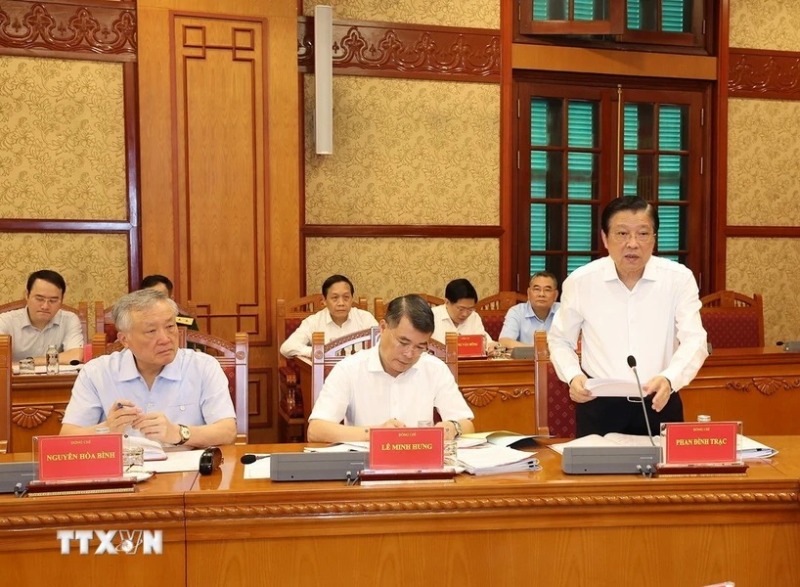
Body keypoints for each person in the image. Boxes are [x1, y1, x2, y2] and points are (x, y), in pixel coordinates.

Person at [547, 196, 708, 438]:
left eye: (643, 234)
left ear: (654, 238)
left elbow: (695, 339)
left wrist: (670, 378)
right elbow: (560, 339)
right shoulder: (581, 281)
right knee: (600, 474)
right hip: (599, 404)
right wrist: (573, 376)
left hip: (659, 399)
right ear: (605, 238)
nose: (632, 244)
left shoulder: (678, 279)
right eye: (622, 234)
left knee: (664, 475)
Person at [60, 288, 236, 447]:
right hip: (122, 476)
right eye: (151, 331)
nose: (165, 338)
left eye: (169, 326)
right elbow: (66, 438)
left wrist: (177, 432)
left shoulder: (203, 366)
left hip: (188, 477)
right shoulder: (96, 372)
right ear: (124, 340)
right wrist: (107, 429)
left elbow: (227, 432)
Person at [307, 294, 475, 443]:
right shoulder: (349, 369)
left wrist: (452, 428)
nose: (410, 354)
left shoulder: (435, 369)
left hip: (421, 469)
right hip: (366, 469)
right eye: (403, 343)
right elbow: (316, 430)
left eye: (420, 347)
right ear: (383, 328)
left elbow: (467, 424)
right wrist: (374, 433)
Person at [280, 274, 377, 358]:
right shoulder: (313, 322)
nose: (341, 303)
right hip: (326, 376)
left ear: (352, 299)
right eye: (335, 298)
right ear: (324, 300)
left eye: (346, 297)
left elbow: (383, 346)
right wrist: (316, 352)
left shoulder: (365, 318)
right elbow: (287, 347)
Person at [0, 269, 84, 364]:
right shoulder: (5, 321)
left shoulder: (69, 319)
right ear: (27, 295)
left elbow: (74, 356)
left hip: (54, 378)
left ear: (62, 299)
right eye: (39, 299)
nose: (45, 306)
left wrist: (29, 362)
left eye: (53, 300)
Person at [498, 272, 560, 348]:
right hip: (526, 359)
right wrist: (538, 351)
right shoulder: (517, 312)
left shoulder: (564, 311)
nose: (541, 294)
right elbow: (504, 341)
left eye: (547, 290)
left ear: (556, 295)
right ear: (528, 293)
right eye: (537, 289)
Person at [431, 278, 495, 351]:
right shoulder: (431, 317)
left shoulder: (474, 317)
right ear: (447, 302)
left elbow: (487, 343)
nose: (465, 314)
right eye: (461, 309)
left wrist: (490, 348)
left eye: (470, 309)